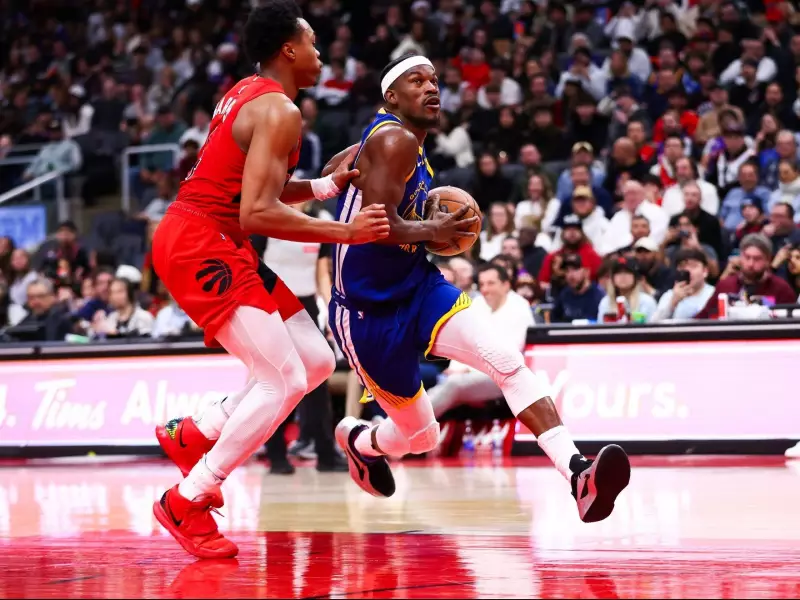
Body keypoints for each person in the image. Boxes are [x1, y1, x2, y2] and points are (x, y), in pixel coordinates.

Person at [330, 53, 630, 524]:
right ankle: (360, 441)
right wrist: (433, 229)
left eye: (434, 80)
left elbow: (340, 171)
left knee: (506, 360)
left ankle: (578, 474)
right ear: (391, 96)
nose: (431, 88)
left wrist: (338, 177)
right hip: (367, 312)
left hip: (418, 286)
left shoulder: (399, 144)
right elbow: (377, 226)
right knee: (421, 437)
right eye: (416, 81)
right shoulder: (392, 138)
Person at [150, 1, 390, 560]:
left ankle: (196, 431)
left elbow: (256, 188)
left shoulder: (246, 92)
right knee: (280, 379)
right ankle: (189, 498)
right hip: (201, 241)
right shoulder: (280, 109)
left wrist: (325, 188)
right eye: (312, 43)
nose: (320, 53)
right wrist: (347, 232)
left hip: (214, 235)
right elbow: (257, 212)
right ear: (288, 48)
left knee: (315, 361)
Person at [428, 265, 533, 419]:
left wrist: (467, 369)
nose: (485, 289)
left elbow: (508, 356)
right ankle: (403, 424)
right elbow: (462, 342)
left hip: (504, 377)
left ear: (506, 285)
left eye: (491, 283)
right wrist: (455, 368)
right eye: (482, 284)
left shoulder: (519, 307)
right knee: (438, 381)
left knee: (454, 384)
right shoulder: (476, 304)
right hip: (472, 373)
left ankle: (407, 426)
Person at [651, 249, 715, 322]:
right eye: (682, 266)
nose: (687, 270)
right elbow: (654, 324)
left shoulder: (713, 294)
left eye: (693, 266)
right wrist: (673, 303)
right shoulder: (670, 296)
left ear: (705, 271)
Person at [550, 254, 605, 323]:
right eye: (567, 270)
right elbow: (554, 321)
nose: (570, 275)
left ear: (586, 272)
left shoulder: (598, 296)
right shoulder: (564, 295)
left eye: (575, 269)